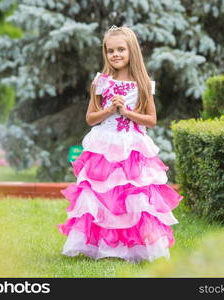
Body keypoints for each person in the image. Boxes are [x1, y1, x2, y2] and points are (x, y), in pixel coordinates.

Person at [57, 25, 183, 262]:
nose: (115, 54)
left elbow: (152, 120)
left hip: (132, 147)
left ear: (131, 51)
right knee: (102, 195)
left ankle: (133, 248)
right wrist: (109, 109)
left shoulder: (143, 83)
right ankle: (102, 247)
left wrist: (126, 111)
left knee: (133, 196)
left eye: (120, 50)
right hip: (104, 145)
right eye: (110, 50)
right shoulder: (101, 82)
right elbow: (90, 118)